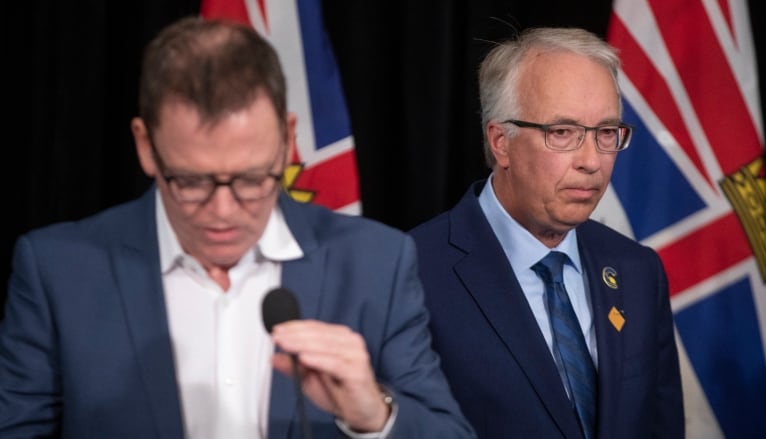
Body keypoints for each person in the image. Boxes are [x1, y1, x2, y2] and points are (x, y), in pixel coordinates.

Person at [0, 16, 476, 439]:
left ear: (288, 139)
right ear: (146, 147)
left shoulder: (376, 262)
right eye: (191, 181)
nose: (224, 211)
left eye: (252, 179)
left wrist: (377, 415)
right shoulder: (56, 271)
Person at [409, 27, 685, 439]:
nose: (591, 161)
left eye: (606, 133)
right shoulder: (409, 273)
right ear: (501, 141)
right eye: (563, 133)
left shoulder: (637, 270)